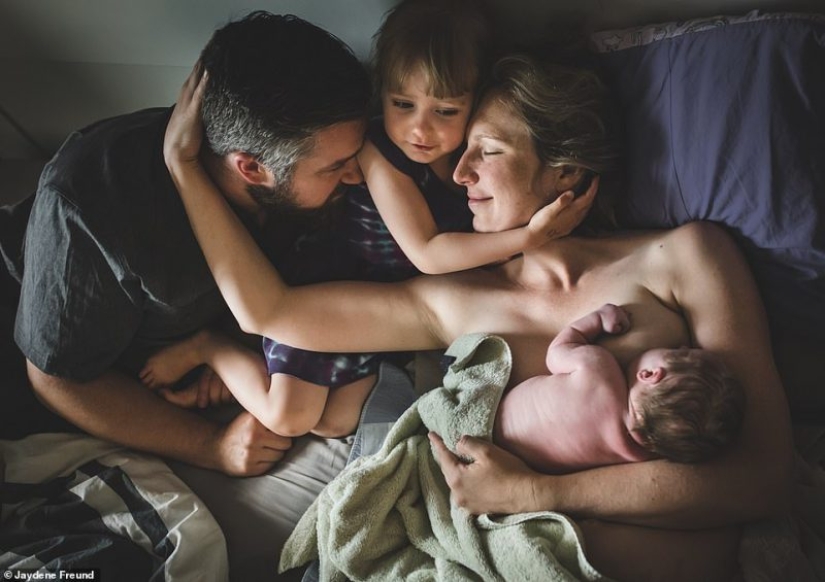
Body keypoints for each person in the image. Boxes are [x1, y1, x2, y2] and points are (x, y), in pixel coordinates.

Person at [164, 51, 793, 581]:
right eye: (461, 151)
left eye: (486, 151)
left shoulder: (686, 257)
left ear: (566, 169)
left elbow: (760, 477)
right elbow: (268, 311)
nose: (459, 173)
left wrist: (537, 495)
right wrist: (186, 170)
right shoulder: (455, 299)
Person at [139, 0, 592, 441]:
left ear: (473, 103)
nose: (420, 129)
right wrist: (528, 236)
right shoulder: (382, 151)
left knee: (335, 421)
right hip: (328, 278)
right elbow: (427, 252)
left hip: (382, 297)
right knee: (290, 416)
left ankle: (244, 371)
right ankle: (210, 348)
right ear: (382, 95)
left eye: (446, 112)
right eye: (402, 104)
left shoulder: (465, 161)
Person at [2, 11, 372, 477]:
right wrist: (210, 446)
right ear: (251, 169)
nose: (356, 176)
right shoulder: (93, 206)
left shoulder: (298, 174)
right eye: (334, 167)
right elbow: (55, 379)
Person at [494, 302, 745, 474]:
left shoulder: (600, 370)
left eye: (679, 350)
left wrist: (598, 318)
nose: (680, 345)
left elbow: (558, 352)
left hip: (492, 416)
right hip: (511, 464)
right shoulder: (638, 455)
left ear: (649, 375)